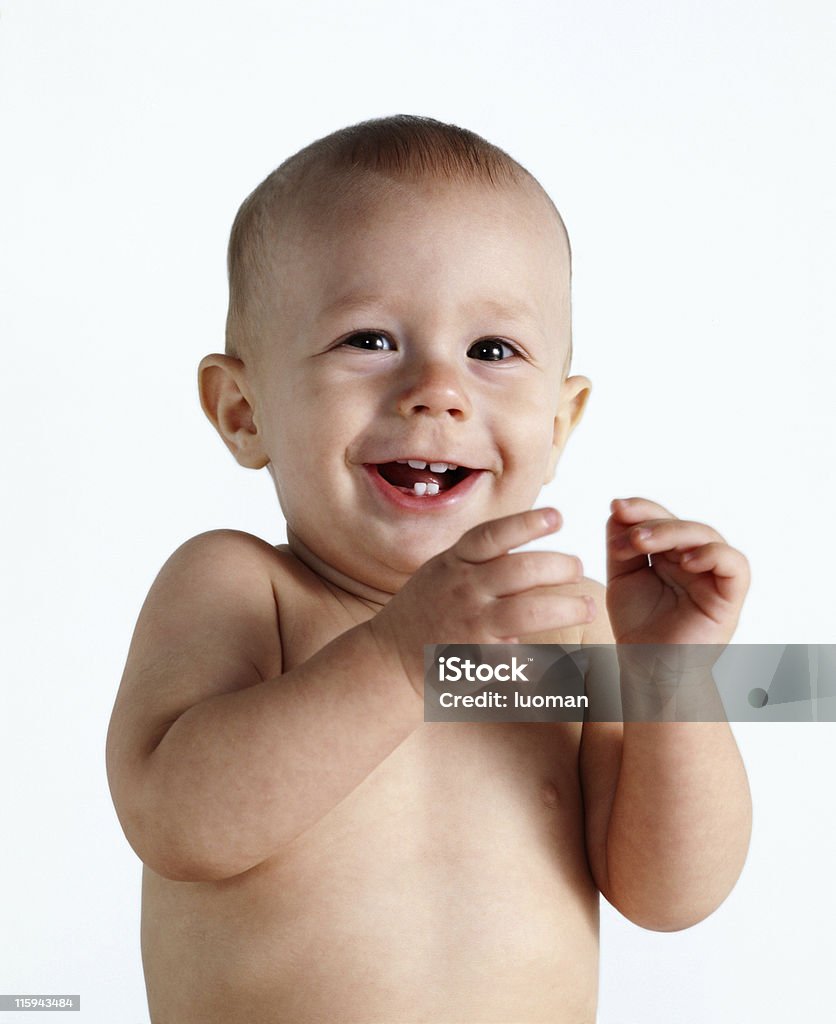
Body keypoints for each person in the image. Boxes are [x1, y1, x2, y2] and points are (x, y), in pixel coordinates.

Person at [105, 114, 752, 1023]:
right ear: (244, 411)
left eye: (492, 351)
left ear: (559, 426)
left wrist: (671, 678)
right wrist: (398, 658)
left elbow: (669, 894)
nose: (437, 391)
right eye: (369, 339)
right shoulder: (243, 590)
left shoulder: (569, 628)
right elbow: (176, 821)